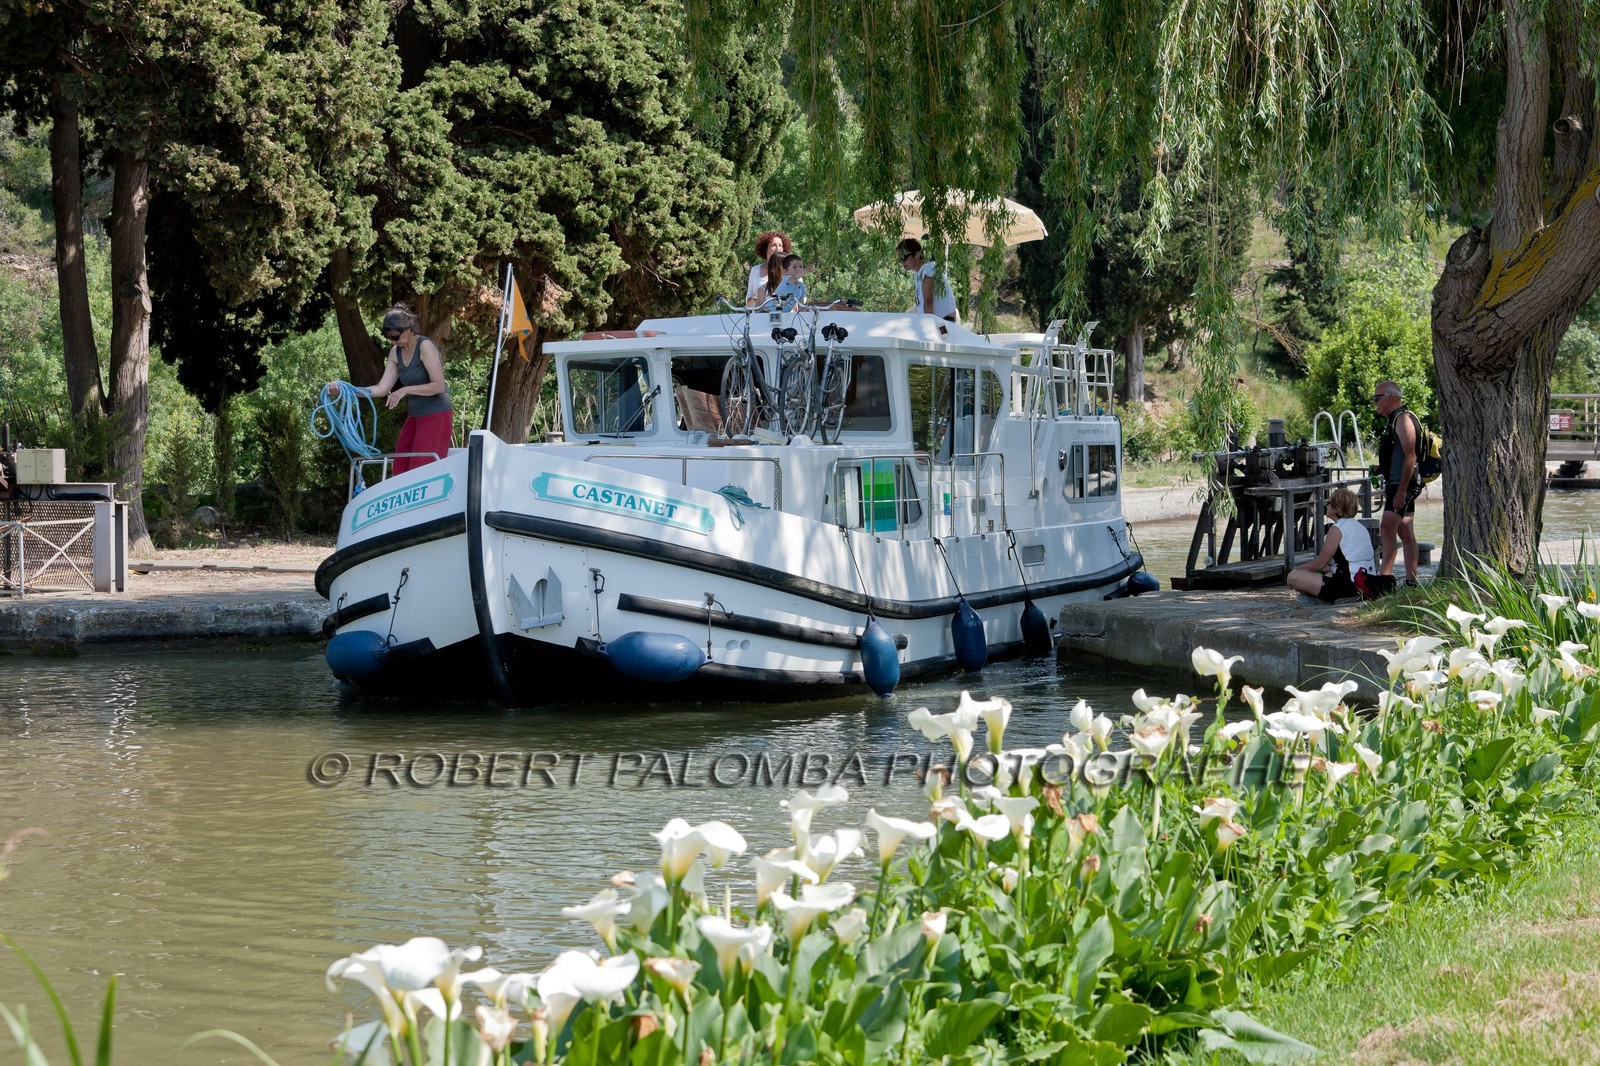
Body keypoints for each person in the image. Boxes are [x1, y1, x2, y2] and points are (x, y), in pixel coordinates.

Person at [328, 305, 453, 474]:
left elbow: (439, 386)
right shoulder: (395, 352)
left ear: (408, 329)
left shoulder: (425, 346)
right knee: (400, 468)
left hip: (436, 414)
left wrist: (405, 390)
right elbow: (381, 389)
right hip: (415, 414)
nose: (393, 342)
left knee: (422, 470)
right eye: (389, 338)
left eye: (395, 336)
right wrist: (348, 391)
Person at [1287, 488, 1377, 602]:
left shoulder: (1337, 529)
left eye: (1328, 503)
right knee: (1328, 572)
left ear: (1336, 508)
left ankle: (1339, 597)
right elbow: (1353, 561)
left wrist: (1294, 570)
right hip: (1365, 582)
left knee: (1293, 578)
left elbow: (1318, 564)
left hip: (1348, 586)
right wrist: (1329, 569)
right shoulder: (1360, 526)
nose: (1326, 506)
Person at [1374, 380, 1422, 586]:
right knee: (1404, 529)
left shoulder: (1403, 419)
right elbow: (1398, 455)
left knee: (1386, 528)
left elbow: (1411, 457)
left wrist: (1401, 491)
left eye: (1377, 398)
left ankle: (1383, 582)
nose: (1375, 402)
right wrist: (1381, 468)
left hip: (1401, 485)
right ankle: (1411, 580)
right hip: (1398, 483)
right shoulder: (1395, 420)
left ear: (1391, 398)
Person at [896, 238, 959, 322]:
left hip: (942, 323)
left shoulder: (928, 270)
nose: (902, 262)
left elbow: (928, 303)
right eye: (900, 259)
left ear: (917, 254)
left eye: (904, 257)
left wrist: (928, 327)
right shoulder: (918, 273)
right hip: (935, 321)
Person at [746, 231, 797, 306]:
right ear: (765, 249)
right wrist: (756, 300)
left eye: (780, 245)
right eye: (773, 245)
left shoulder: (793, 270)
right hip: (761, 315)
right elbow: (748, 300)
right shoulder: (755, 270)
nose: (777, 249)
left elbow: (799, 300)